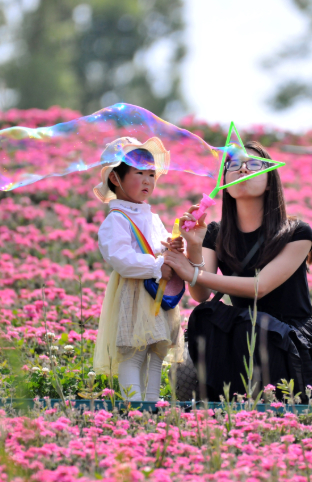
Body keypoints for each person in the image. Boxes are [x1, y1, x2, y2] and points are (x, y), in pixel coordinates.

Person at [163, 140, 312, 403]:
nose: (243, 170)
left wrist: (191, 272)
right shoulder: (216, 232)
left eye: (254, 164)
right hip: (245, 334)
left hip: (288, 339)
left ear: (270, 180)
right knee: (207, 315)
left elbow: (261, 286)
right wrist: (194, 246)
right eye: (234, 165)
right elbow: (201, 294)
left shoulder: (296, 232)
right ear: (224, 179)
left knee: (254, 327)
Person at [92, 136, 185, 401]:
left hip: (155, 291)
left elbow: (162, 246)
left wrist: (175, 248)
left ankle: (151, 405)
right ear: (115, 178)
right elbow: (122, 259)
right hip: (134, 293)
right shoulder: (117, 219)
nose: (147, 180)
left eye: (152, 174)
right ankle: (135, 408)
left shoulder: (151, 217)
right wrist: (158, 265)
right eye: (139, 173)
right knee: (133, 352)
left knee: (156, 353)